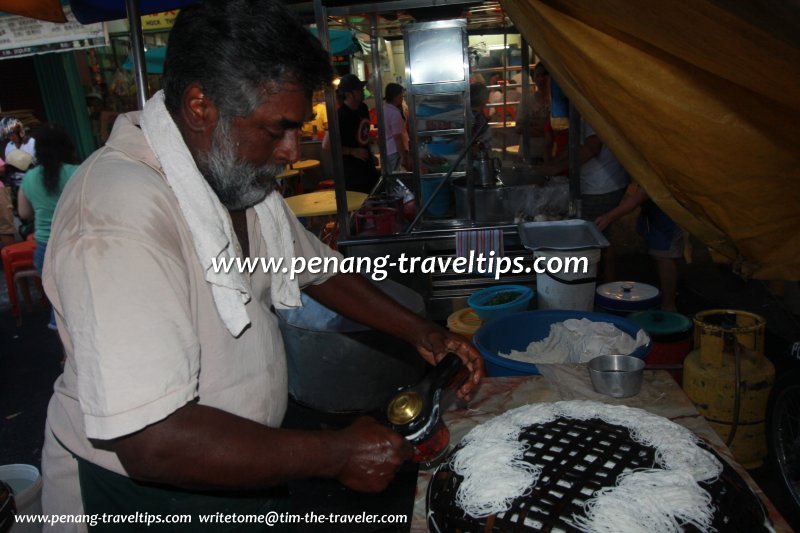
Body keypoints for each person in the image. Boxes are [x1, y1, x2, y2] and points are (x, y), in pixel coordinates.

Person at [40, 0, 484, 528]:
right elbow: (150, 440)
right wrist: (338, 454)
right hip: (139, 494)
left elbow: (319, 269)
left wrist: (423, 333)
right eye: (278, 130)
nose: (291, 151)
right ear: (201, 105)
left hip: (239, 465)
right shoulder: (118, 214)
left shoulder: (234, 180)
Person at [532, 121, 629, 281]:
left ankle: (594, 282)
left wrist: (556, 167)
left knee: (593, 238)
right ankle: (605, 280)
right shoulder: (579, 113)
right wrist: (553, 164)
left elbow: (592, 148)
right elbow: (573, 147)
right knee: (601, 235)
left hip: (602, 185)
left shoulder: (588, 112)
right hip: (601, 182)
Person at [17, 124, 79, 329]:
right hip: (76, 243)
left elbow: (24, 214)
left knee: (58, 303)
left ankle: (64, 355)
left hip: (45, 247)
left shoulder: (30, 177)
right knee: (81, 300)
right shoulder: (78, 172)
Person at [595, 184, 683, 311]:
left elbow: (639, 196)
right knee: (662, 255)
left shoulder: (658, 170)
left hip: (667, 211)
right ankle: (670, 294)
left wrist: (608, 217)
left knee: (664, 256)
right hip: (655, 208)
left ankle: (669, 305)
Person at [324, 73, 380, 193]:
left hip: (367, 167)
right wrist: (352, 151)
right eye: (358, 89)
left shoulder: (363, 108)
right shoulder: (340, 115)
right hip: (351, 172)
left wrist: (370, 153)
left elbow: (361, 135)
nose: (362, 91)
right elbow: (327, 145)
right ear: (348, 94)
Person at [515, 63, 551, 161]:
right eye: (537, 76)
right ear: (534, 79)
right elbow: (519, 128)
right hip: (528, 154)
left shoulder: (557, 101)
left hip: (552, 155)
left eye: (544, 75)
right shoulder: (526, 100)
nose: (541, 79)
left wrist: (534, 128)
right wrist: (547, 132)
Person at [383, 83, 410, 173]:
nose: (402, 97)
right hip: (395, 152)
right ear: (395, 96)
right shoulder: (394, 113)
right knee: (397, 178)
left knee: (391, 177)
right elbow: (397, 137)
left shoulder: (384, 109)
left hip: (388, 151)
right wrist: (403, 156)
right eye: (401, 94)